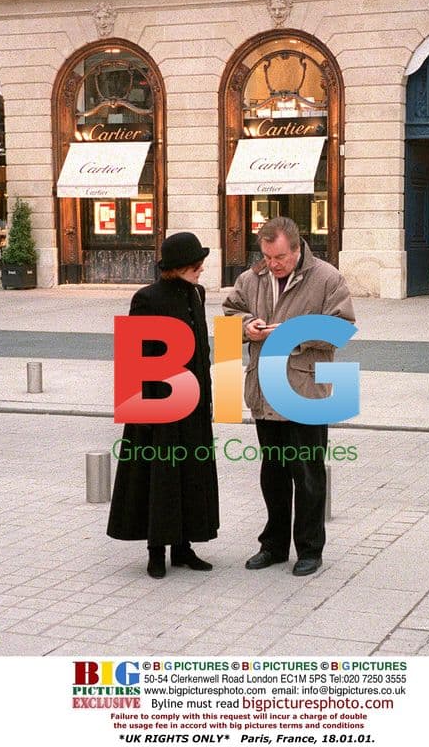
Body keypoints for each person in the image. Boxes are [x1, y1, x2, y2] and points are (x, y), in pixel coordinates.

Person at [223, 217, 355, 577]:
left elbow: (342, 328)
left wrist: (294, 334)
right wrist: (246, 326)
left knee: (308, 474)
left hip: (305, 392)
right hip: (264, 391)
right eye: (267, 256)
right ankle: (274, 545)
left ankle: (310, 550)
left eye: (279, 257)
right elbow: (230, 312)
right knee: (274, 473)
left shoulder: (328, 278)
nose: (273, 264)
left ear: (297, 249)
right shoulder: (251, 279)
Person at [107, 232, 219, 578]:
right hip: (158, 405)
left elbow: (202, 348)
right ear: (179, 267)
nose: (201, 269)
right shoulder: (146, 298)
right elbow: (133, 356)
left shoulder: (197, 294)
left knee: (191, 474)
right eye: (196, 265)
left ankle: (184, 547)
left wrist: (209, 395)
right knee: (159, 476)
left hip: (194, 402)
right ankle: (156, 550)